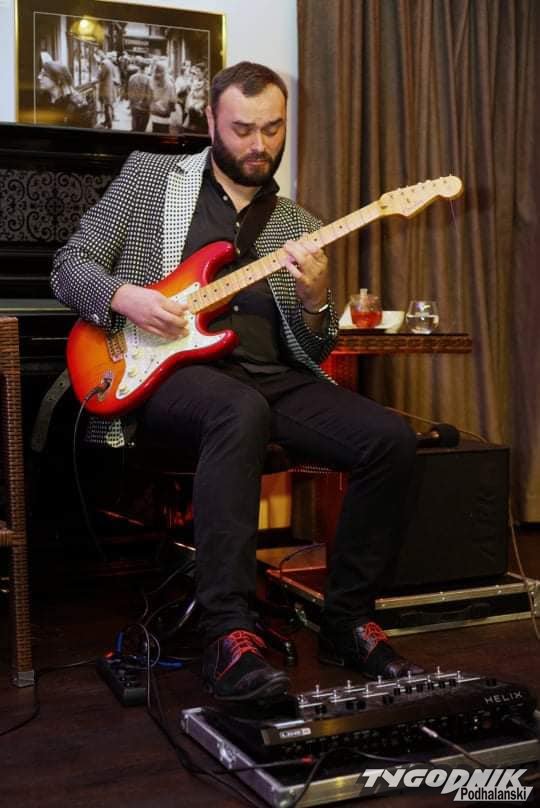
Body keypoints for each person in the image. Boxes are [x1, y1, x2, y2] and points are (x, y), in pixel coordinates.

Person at [51, 61, 423, 702]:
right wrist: (125, 297)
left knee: (390, 439)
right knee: (238, 409)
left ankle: (346, 620)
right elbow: (68, 266)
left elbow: (312, 348)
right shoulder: (150, 178)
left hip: (271, 377)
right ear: (211, 122)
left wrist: (315, 300)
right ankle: (228, 633)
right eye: (243, 129)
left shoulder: (297, 222)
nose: (259, 144)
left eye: (272, 129)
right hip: (171, 375)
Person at [37, 61, 94, 128]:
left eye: (44, 75)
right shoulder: (43, 98)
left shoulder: (77, 103)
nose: (39, 77)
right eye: (40, 74)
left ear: (58, 79)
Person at [149, 60, 177, 133]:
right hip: (166, 115)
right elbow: (173, 100)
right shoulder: (170, 84)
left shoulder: (151, 82)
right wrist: (170, 109)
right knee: (164, 133)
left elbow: (149, 98)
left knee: (155, 130)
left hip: (154, 114)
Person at [127, 57, 152, 132]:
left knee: (135, 126)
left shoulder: (132, 77)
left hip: (134, 106)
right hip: (144, 108)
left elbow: (129, 92)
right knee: (142, 129)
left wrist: (131, 103)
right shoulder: (148, 79)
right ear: (146, 68)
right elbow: (149, 95)